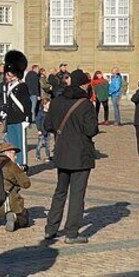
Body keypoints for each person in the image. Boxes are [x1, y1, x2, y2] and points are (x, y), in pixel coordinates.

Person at [43, 69, 99, 245]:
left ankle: (50, 229)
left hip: (62, 151)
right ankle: (72, 232)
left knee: (60, 191)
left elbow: (48, 125)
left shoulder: (57, 101)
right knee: (76, 194)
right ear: (83, 85)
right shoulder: (85, 104)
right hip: (81, 154)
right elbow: (91, 130)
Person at [0, 143, 32, 232]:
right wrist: (20, 172)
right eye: (14, 154)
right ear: (7, 152)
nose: (15, 157)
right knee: (24, 217)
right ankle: (15, 219)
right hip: (9, 199)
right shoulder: (11, 165)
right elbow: (26, 184)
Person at [0, 51, 31, 169]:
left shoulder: (22, 86)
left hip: (20, 118)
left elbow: (27, 103)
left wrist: (27, 118)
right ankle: (13, 163)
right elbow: (6, 102)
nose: (8, 76)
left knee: (20, 143)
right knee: (11, 143)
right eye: (7, 74)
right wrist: (2, 112)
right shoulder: (6, 87)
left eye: (10, 74)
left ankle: (22, 164)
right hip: (10, 118)